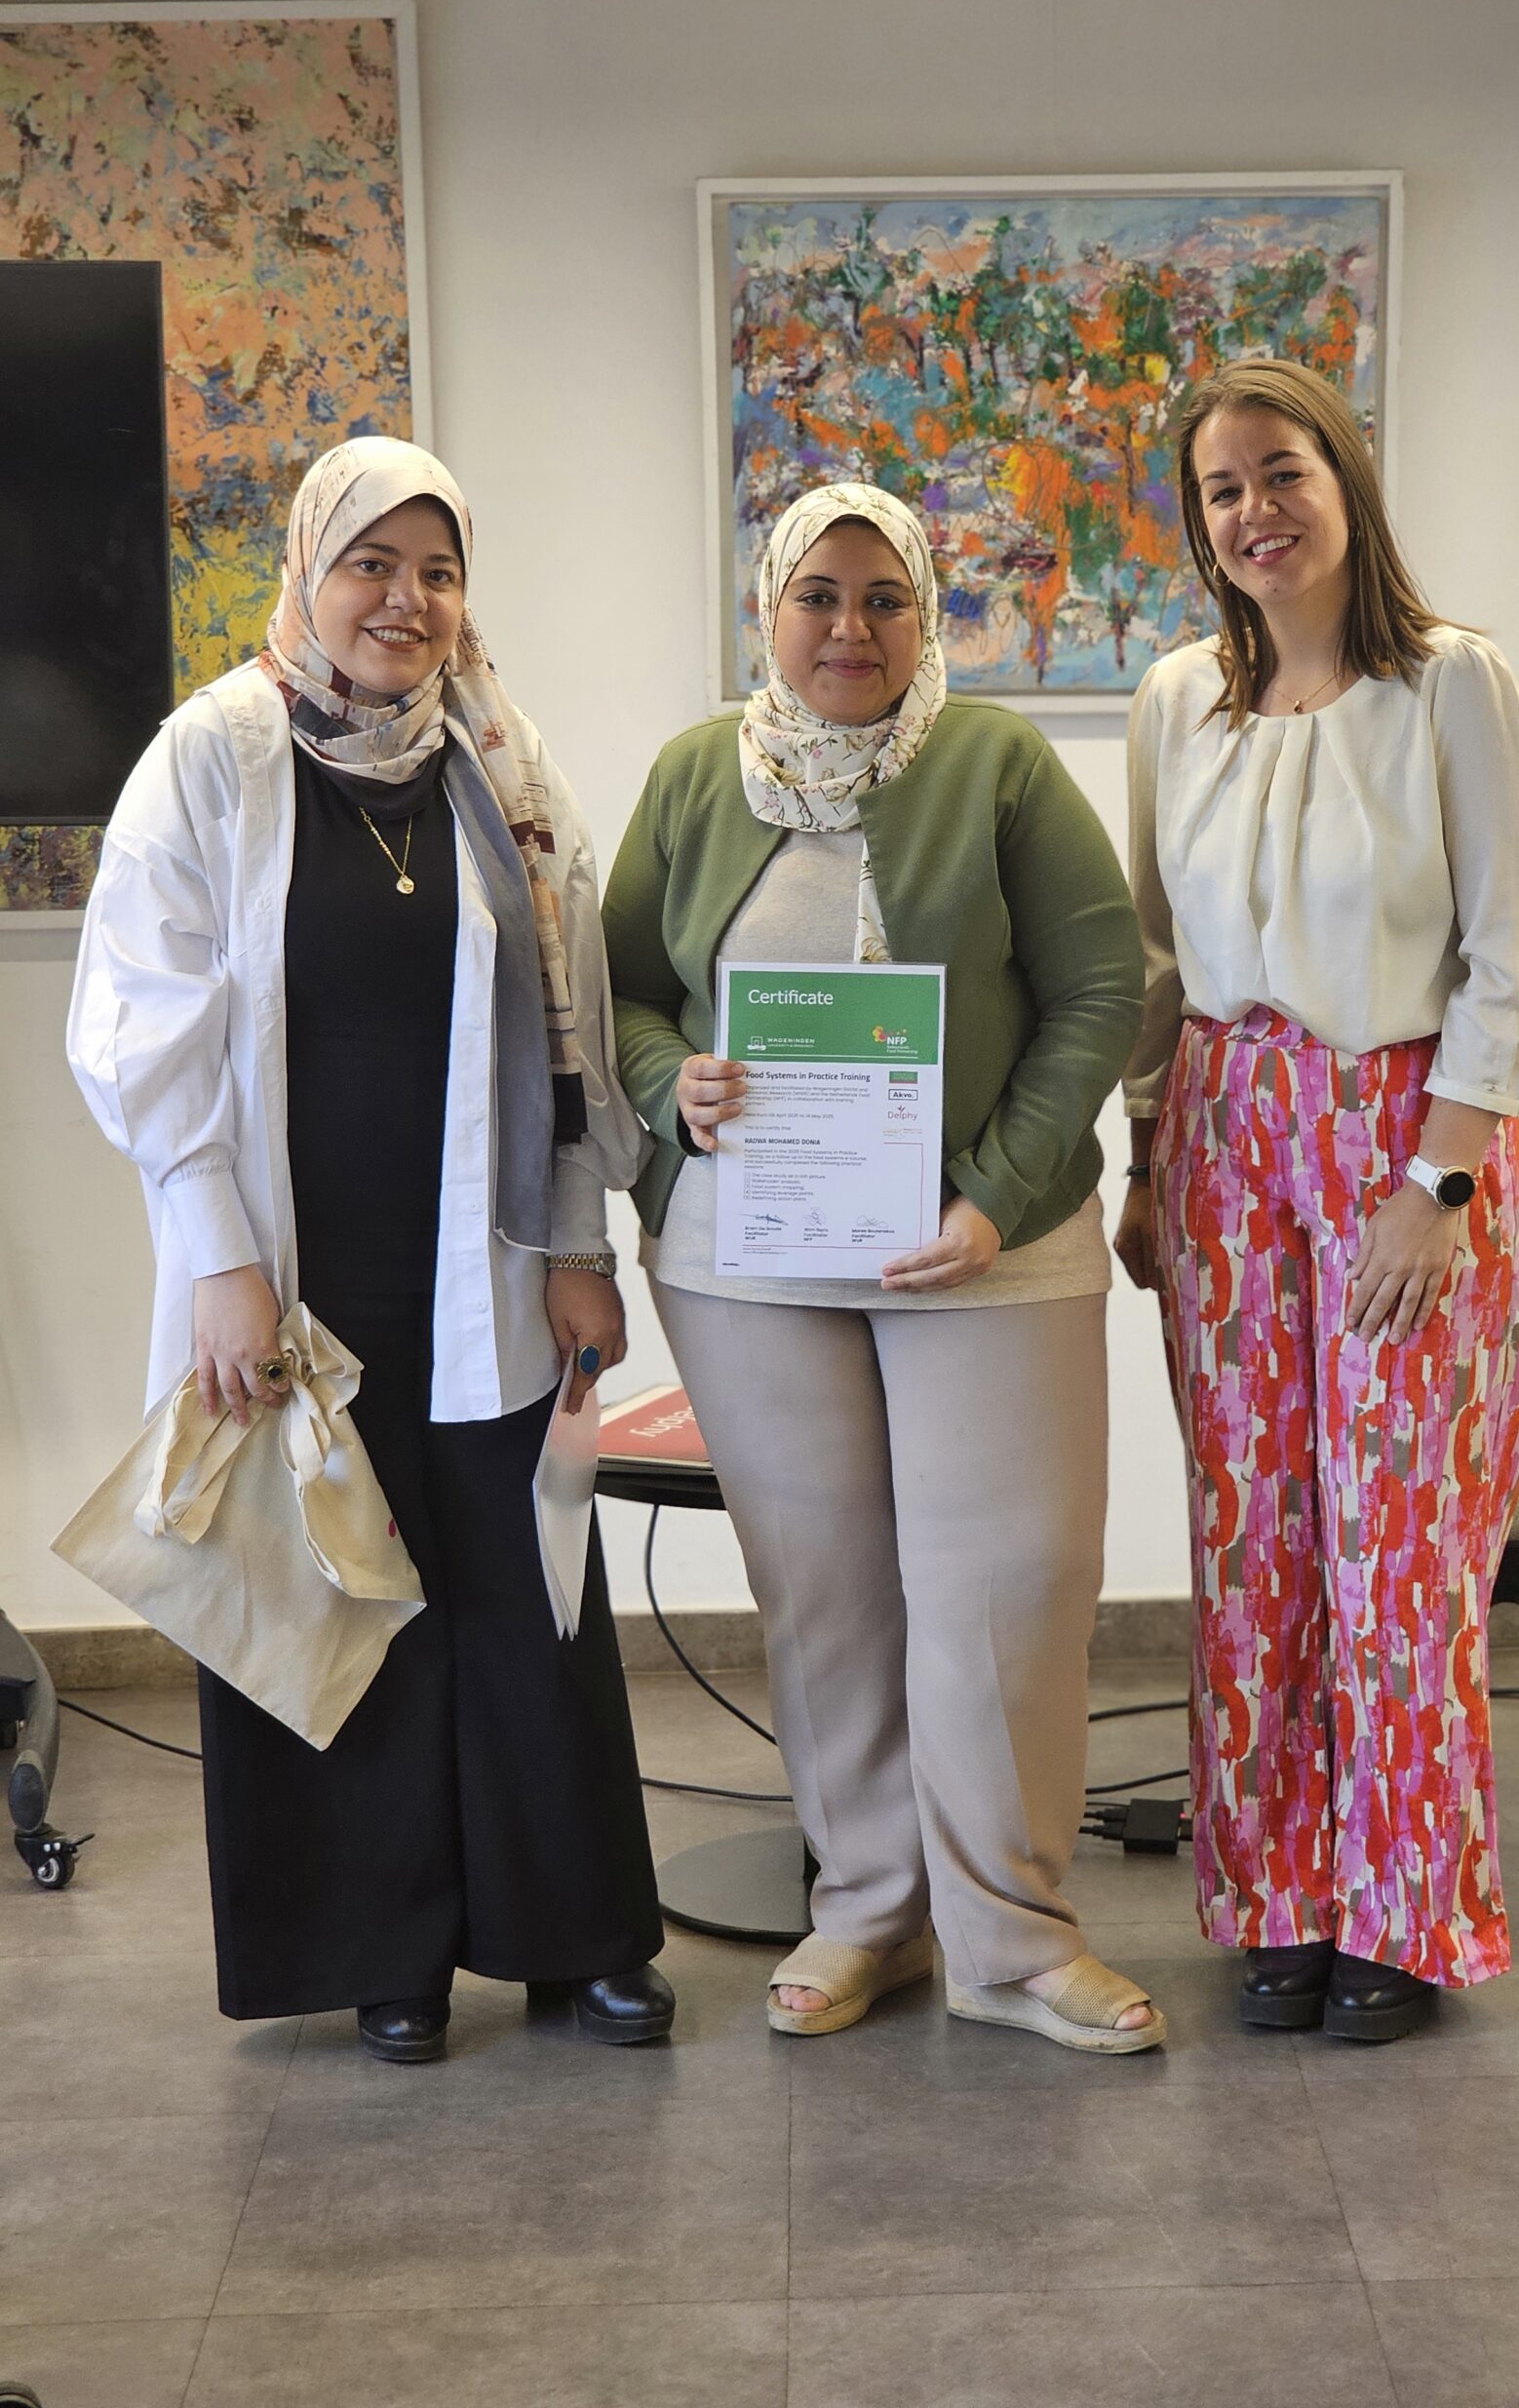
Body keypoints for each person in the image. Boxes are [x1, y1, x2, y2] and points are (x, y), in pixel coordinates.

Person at [68, 437, 672, 2063]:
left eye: (438, 571)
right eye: (372, 565)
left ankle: (575, 1937)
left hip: (484, 1252)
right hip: (292, 1263)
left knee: (528, 1592)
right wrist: (219, 1259)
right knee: (337, 1593)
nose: (406, 601)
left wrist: (578, 1240)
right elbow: (141, 1024)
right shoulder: (213, 754)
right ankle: (382, 1950)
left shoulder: (506, 763)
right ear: (308, 571)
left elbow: (573, 1019)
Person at [604, 480, 1162, 2053]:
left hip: (986, 1245)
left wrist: (996, 1195)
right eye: (818, 596)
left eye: (884, 598)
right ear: (767, 609)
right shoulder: (696, 772)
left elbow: (1101, 988)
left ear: (926, 613)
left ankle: (1014, 1940)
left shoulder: (993, 763)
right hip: (748, 1257)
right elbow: (622, 992)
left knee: (1009, 1583)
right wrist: (667, 1082)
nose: (849, 627)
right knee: (826, 1591)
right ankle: (868, 1910)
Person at [1116, 358, 1519, 2043]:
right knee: (1254, 1536)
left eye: (1280, 472)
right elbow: (1156, 958)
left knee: (1398, 1543)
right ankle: (1280, 1896)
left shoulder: (1451, 684)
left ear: (1344, 478)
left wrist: (1440, 1182)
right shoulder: (1177, 703)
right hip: (1223, 1132)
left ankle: (1405, 1906)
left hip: (1405, 1133)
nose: (1254, 511)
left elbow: (1508, 958)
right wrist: (1144, 1160)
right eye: (1221, 489)